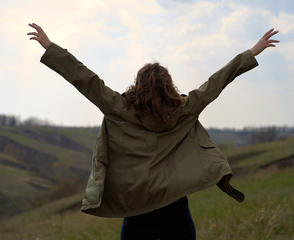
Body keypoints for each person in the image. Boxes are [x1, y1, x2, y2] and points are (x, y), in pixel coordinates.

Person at [27, 23, 279, 240]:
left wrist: (50, 47)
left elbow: (86, 80)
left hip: (137, 207)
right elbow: (216, 82)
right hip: (175, 207)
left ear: (138, 85)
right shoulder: (183, 110)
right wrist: (251, 52)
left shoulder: (119, 108)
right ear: (169, 86)